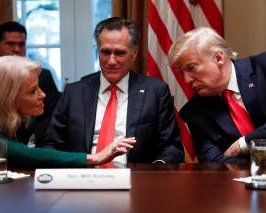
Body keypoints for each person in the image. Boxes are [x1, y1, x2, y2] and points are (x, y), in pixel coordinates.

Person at [43, 17, 184, 166]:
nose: (111, 61)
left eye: (119, 53)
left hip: (135, 180)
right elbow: (50, 146)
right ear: (98, 51)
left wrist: (151, 173)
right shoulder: (74, 92)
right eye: (105, 52)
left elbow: (172, 148)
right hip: (83, 177)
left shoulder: (155, 92)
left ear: (134, 53)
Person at [0, 56, 136, 167]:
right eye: (32, 91)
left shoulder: (22, 113)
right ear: (7, 98)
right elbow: (16, 152)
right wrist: (93, 157)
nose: (42, 94)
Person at [168, 27, 266, 163]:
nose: (186, 80)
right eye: (182, 73)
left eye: (191, 68)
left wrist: (241, 145)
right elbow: (214, 164)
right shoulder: (194, 112)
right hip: (239, 183)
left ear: (218, 58)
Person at [0, 21, 61, 145]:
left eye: (21, 44)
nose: (17, 49)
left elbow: (52, 116)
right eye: (10, 44)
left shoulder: (42, 75)